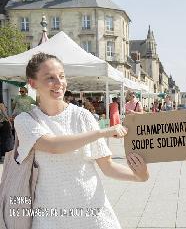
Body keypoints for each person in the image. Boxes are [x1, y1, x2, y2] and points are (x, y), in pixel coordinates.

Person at [14, 52, 149, 229]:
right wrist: (101, 132)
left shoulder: (83, 116)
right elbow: (54, 145)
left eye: (61, 76)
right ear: (33, 83)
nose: (59, 83)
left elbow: (107, 166)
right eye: (50, 78)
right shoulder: (25, 120)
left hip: (92, 213)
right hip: (50, 217)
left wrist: (140, 176)